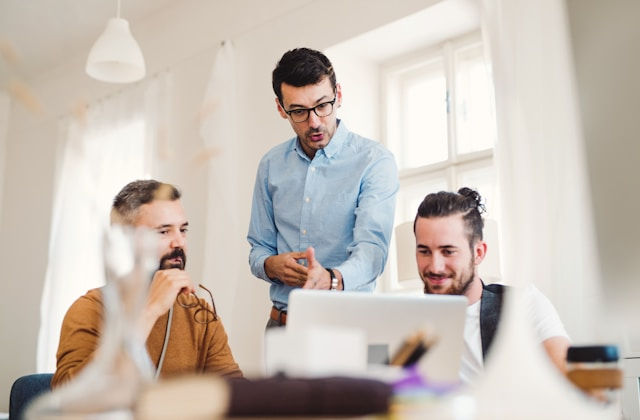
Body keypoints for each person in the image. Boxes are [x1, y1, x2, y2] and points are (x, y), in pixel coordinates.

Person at [247, 47, 398, 328]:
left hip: (347, 324)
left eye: (322, 105)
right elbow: (259, 247)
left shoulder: (374, 161)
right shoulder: (270, 165)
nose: (314, 121)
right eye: (299, 111)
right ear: (281, 109)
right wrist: (271, 266)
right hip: (283, 325)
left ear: (338, 95)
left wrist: (331, 279)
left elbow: (372, 251)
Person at [52, 180, 242, 387]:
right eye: (164, 231)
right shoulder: (91, 308)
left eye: (183, 230)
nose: (179, 242)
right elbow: (68, 394)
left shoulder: (199, 312)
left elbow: (235, 393)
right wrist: (149, 311)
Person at [413, 187, 570, 384]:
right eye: (425, 251)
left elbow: (570, 380)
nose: (435, 267)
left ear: (478, 253)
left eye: (448, 251)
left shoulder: (522, 304)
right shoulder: (407, 323)